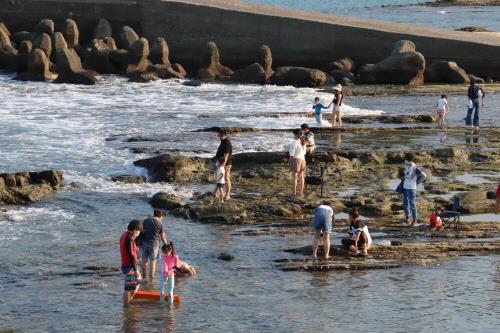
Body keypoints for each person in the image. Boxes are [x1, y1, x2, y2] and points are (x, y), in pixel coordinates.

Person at [120, 219, 142, 307]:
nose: (139, 232)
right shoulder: (129, 238)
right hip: (129, 265)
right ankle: (126, 306)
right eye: (139, 230)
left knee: (138, 281)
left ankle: (128, 301)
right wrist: (135, 269)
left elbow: (131, 251)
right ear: (135, 230)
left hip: (127, 264)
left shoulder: (125, 235)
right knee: (128, 288)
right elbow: (130, 254)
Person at [140, 209, 168, 281]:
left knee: (144, 260)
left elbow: (142, 231)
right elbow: (163, 236)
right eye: (162, 216)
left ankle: (144, 275)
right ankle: (151, 279)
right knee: (153, 261)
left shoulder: (146, 220)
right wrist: (166, 244)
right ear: (160, 216)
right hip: (154, 244)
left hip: (144, 243)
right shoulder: (160, 223)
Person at [401, 153, 427, 226]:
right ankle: (407, 219)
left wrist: (417, 182)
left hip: (411, 188)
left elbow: (424, 176)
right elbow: (405, 175)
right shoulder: (406, 166)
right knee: (405, 203)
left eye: (406, 159)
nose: (405, 161)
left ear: (410, 160)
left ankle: (415, 221)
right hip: (405, 187)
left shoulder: (415, 168)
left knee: (412, 204)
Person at [215, 128, 233, 201]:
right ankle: (215, 192)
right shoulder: (222, 141)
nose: (217, 134)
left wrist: (222, 165)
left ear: (222, 134)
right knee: (219, 178)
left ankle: (228, 195)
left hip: (226, 164)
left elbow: (226, 156)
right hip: (221, 163)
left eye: (218, 133)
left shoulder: (226, 143)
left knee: (226, 179)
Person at [288, 129, 306, 196]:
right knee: (301, 177)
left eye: (293, 134)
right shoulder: (303, 142)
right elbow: (304, 152)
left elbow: (292, 154)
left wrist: (289, 161)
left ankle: (294, 192)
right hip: (303, 160)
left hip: (296, 159)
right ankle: (301, 192)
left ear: (296, 135)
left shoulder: (294, 142)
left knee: (294, 177)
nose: (293, 136)